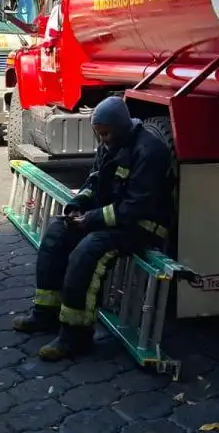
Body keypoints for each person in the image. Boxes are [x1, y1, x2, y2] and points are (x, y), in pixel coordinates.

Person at [12, 96, 174, 361]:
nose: (102, 139)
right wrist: (78, 206)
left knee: (87, 253)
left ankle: (76, 336)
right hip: (109, 220)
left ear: (121, 127)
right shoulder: (110, 143)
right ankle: (45, 314)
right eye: (98, 134)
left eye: (106, 133)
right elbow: (94, 180)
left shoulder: (149, 151)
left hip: (140, 227)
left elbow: (135, 209)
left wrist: (90, 220)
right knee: (55, 234)